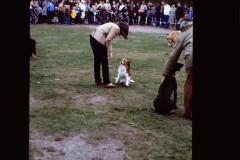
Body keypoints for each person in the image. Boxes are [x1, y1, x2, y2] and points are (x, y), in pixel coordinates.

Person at [159, 18, 193, 120]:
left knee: (190, 82)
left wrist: (165, 73)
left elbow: (173, 57)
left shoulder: (182, 35)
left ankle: (188, 112)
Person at [89, 22, 129, 88]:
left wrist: (110, 52)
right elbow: (108, 40)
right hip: (99, 41)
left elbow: (108, 40)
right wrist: (109, 52)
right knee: (104, 61)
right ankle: (107, 82)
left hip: (93, 38)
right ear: (123, 29)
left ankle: (98, 80)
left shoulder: (113, 25)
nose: (121, 35)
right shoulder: (117, 28)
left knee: (97, 60)